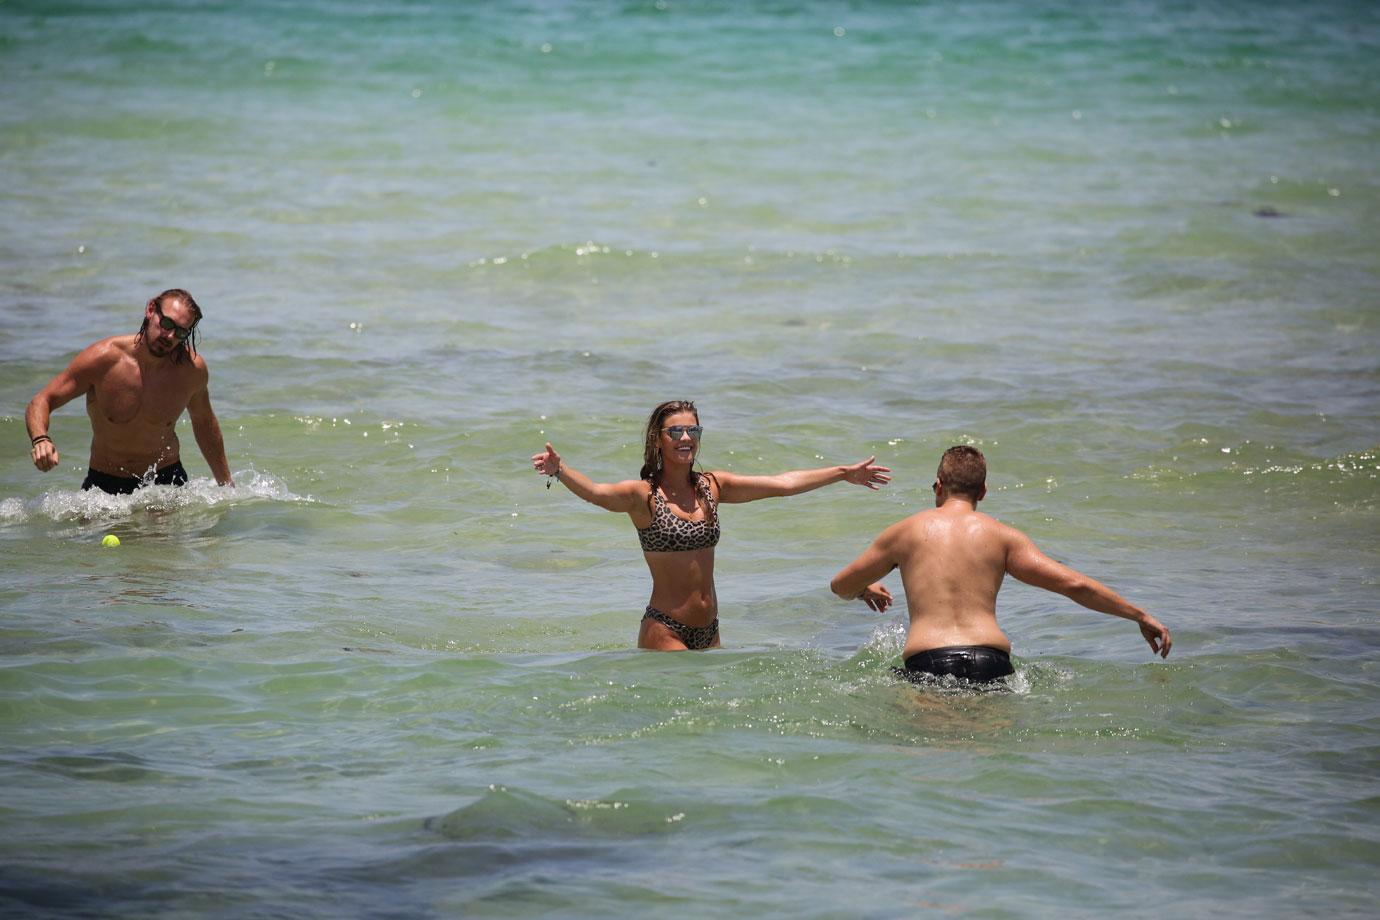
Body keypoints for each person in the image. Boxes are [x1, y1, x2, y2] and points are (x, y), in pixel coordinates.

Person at [532, 399, 891, 650]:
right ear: (659, 440)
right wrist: (559, 471)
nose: (686, 438)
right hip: (664, 629)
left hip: (711, 630)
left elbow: (782, 483)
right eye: (675, 432)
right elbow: (596, 492)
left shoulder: (713, 487)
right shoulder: (643, 495)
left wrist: (844, 473)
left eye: (693, 430)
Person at [830, 445, 1170, 686]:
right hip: (991, 662)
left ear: (938, 485)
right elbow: (1073, 585)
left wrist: (864, 590)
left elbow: (840, 585)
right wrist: (1138, 614)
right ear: (983, 491)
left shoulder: (905, 533)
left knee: (931, 762)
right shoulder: (1004, 538)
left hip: (928, 663)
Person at [25, 288, 234, 494]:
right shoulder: (103, 359)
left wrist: (226, 485)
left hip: (165, 481)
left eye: (180, 332)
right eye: (167, 323)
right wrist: (41, 439)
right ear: (151, 310)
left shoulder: (191, 371)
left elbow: (204, 424)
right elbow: (43, 400)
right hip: (104, 483)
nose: (169, 336)